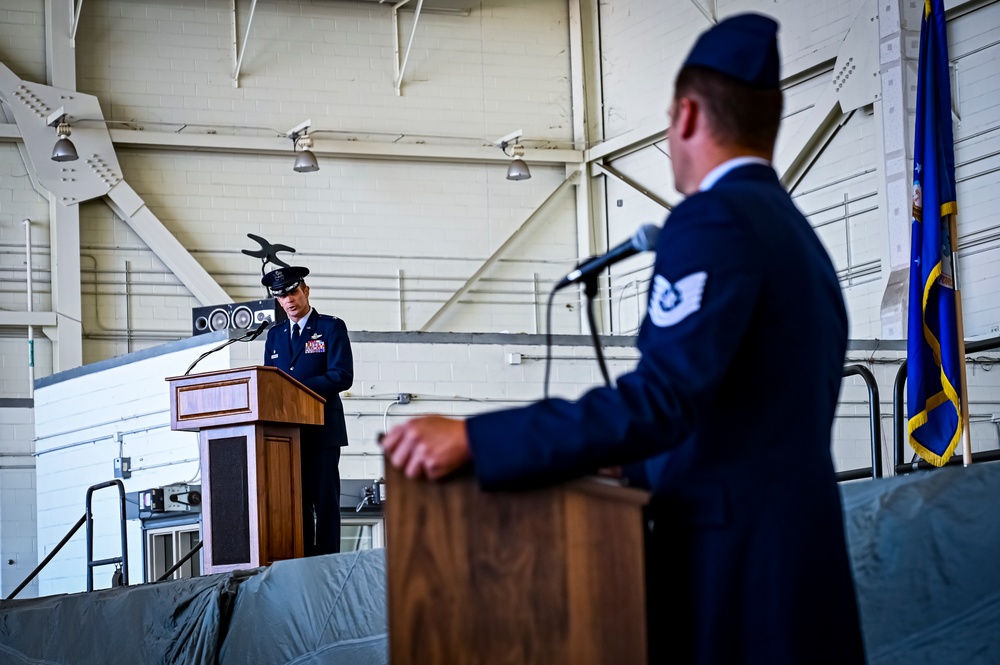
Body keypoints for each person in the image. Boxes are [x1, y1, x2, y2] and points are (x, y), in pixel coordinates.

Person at [382, 13, 867, 665]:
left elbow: (662, 398)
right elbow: (745, 418)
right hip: (798, 569)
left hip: (734, 577)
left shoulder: (713, 220)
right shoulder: (800, 239)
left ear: (688, 116)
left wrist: (476, 437)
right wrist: (626, 464)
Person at [262, 265, 354, 556]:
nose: (288, 300)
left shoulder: (330, 327)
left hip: (322, 432)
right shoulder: (275, 336)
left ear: (306, 291)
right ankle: (301, 563)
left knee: (325, 503)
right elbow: (268, 384)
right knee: (294, 504)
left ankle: (327, 564)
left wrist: (297, 387)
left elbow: (342, 375)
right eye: (281, 296)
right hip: (287, 437)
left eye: (292, 292)